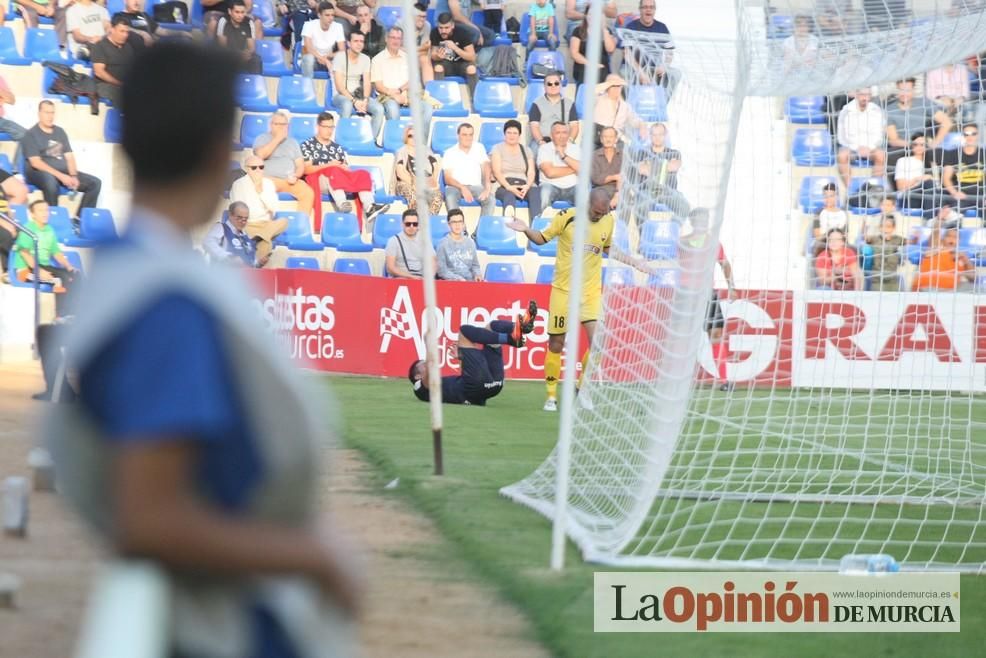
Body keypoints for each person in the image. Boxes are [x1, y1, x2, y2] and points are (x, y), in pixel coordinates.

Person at [47, 41, 361, 658]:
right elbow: (151, 515)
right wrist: (315, 556)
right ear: (220, 152)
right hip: (222, 628)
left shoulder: (129, 274)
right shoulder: (166, 303)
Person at [507, 188, 651, 411]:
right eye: (596, 212)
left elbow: (608, 248)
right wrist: (526, 229)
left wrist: (634, 262)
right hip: (564, 291)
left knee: (599, 343)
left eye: (603, 213)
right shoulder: (566, 217)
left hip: (590, 292)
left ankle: (582, 389)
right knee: (556, 343)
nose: (599, 216)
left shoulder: (607, 221)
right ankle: (551, 396)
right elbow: (542, 238)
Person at [408, 302, 538, 406]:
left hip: (493, 385)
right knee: (464, 331)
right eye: (422, 365)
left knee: (491, 327)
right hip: (477, 387)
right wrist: (428, 344)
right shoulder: (419, 388)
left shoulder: (442, 387)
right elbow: (431, 368)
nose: (426, 363)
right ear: (418, 375)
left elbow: (472, 370)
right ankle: (510, 338)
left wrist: (462, 357)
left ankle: (520, 327)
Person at [680, 208, 736, 391]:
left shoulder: (714, 243)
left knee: (717, 334)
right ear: (692, 222)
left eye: (705, 220)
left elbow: (724, 264)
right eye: (698, 220)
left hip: (707, 293)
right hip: (687, 293)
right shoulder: (682, 242)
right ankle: (681, 379)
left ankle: (724, 380)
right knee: (686, 337)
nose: (702, 223)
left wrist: (731, 287)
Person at [301, 111, 388, 229]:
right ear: (318, 127)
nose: (329, 130)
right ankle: (341, 203)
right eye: (325, 127)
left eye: (331, 127)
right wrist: (329, 165)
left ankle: (370, 207)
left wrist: (343, 168)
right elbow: (306, 170)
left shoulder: (337, 148)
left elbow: (345, 169)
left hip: (338, 179)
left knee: (363, 174)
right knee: (333, 170)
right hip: (319, 180)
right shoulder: (307, 145)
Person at [22, 101, 102, 221]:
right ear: (39, 113)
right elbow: (36, 162)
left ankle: (80, 221)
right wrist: (61, 176)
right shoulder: (30, 134)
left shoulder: (60, 132)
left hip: (62, 171)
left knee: (95, 183)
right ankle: (54, 221)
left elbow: (69, 157)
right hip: (38, 172)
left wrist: (73, 175)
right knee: (50, 181)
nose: (50, 116)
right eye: (47, 112)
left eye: (52, 113)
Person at [12, 200, 79, 315]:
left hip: (43, 266)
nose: (45, 213)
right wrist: (39, 271)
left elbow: (56, 252)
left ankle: (74, 314)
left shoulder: (50, 229)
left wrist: (69, 266)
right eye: (40, 210)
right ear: (32, 214)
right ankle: (60, 316)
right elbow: (25, 253)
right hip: (26, 270)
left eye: (46, 210)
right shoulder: (27, 229)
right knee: (59, 279)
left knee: (75, 276)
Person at [252, 111, 315, 217]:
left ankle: (299, 225)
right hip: (268, 179)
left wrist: (296, 175)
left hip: (289, 180)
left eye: (284, 124)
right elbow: (260, 155)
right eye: (278, 124)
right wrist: (278, 138)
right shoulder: (262, 138)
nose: (282, 127)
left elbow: (300, 165)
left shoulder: (293, 142)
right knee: (261, 190)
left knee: (308, 192)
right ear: (271, 125)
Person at [229, 154, 289, 264]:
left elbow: (274, 207)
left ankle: (258, 238)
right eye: (254, 167)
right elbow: (237, 210)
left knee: (284, 221)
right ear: (247, 169)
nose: (258, 170)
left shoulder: (268, 184)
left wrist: (259, 190)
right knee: (267, 243)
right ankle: (256, 267)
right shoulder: (238, 184)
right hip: (247, 224)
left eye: (261, 167)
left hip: (265, 224)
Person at [371, 26, 434, 129]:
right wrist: (394, 95)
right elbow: (379, 86)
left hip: (408, 95)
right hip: (387, 96)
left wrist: (401, 91)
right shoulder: (377, 60)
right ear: (386, 39)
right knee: (392, 108)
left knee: (427, 108)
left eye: (398, 38)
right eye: (393, 37)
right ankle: (396, 142)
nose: (396, 41)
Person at [331, 30, 385, 142]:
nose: (359, 44)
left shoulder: (365, 59)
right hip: (341, 96)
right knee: (347, 105)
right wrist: (354, 101)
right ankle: (341, 140)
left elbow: (367, 82)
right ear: (349, 43)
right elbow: (339, 86)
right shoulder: (340, 57)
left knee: (379, 109)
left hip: (359, 95)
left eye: (361, 41)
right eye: (356, 41)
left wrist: (365, 100)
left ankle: (370, 141)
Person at [630, 122, 688, 221]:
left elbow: (674, 166)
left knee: (684, 206)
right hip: (647, 190)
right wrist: (665, 165)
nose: (657, 137)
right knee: (640, 207)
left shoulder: (674, 153)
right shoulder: (642, 152)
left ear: (665, 135)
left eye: (660, 134)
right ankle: (644, 235)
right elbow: (642, 170)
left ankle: (671, 230)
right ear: (650, 136)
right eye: (654, 135)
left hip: (668, 191)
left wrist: (650, 166)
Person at [91, 13, 148, 106]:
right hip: (105, 86)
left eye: (127, 32)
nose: (125, 35)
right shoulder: (100, 46)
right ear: (112, 30)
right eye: (122, 31)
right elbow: (99, 72)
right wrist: (120, 84)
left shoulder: (128, 47)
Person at [836, 89, 887, 189]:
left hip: (871, 148)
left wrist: (869, 147)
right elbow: (841, 137)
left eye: (867, 95)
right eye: (862, 95)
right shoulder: (846, 110)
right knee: (842, 155)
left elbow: (879, 135)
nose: (865, 98)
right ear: (856, 95)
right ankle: (850, 189)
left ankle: (874, 188)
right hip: (852, 148)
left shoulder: (877, 111)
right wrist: (857, 148)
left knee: (881, 155)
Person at [442, 122, 495, 216]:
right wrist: (462, 187)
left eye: (470, 135)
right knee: (450, 197)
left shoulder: (479, 147)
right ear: (458, 135)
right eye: (464, 134)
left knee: (490, 199)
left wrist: (487, 185)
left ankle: (481, 230)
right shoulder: (449, 152)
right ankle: (461, 230)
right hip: (455, 187)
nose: (468, 138)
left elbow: (486, 166)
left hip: (476, 186)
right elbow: (447, 178)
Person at [491, 119, 540, 218]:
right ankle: (508, 222)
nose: (511, 135)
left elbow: (531, 172)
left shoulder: (526, 150)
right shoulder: (497, 148)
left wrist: (527, 185)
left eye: (515, 133)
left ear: (519, 135)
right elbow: (497, 172)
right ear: (504, 134)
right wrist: (509, 187)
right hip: (504, 184)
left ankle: (536, 225)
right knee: (509, 194)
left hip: (523, 183)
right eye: (509, 132)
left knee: (535, 192)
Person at [392, 124, 443, 214]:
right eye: (410, 136)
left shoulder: (426, 150)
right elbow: (400, 172)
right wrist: (413, 183)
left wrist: (432, 181)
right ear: (406, 138)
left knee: (437, 197)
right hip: (407, 182)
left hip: (426, 182)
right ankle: (416, 219)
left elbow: (435, 166)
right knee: (413, 195)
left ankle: (429, 220)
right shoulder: (401, 151)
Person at [913, 224, 976, 291]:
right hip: (928, 290)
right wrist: (941, 220)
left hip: (951, 292)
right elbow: (935, 235)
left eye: (955, 237)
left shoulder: (961, 257)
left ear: (959, 241)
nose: (952, 239)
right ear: (942, 239)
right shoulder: (934, 250)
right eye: (949, 236)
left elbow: (973, 279)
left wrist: (965, 260)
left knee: (974, 289)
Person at [528, 71, 579, 150]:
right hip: (543, 140)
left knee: (576, 153)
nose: (553, 86)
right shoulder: (536, 103)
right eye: (549, 84)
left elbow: (574, 126)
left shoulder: (570, 103)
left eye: (556, 83)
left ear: (561, 85)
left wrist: (570, 140)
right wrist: (541, 142)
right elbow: (534, 126)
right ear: (544, 86)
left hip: (564, 141)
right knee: (534, 151)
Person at [430, 12, 478, 97]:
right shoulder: (434, 33)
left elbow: (472, 57)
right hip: (446, 64)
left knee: (471, 68)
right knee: (438, 67)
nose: (443, 31)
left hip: (462, 63)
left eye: (446, 28)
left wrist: (455, 48)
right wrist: (438, 56)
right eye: (440, 28)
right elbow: (433, 54)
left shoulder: (462, 33)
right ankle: (440, 98)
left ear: (452, 26)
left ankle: (476, 99)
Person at [942, 124, 986, 214]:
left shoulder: (984, 154)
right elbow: (946, 178)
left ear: (978, 135)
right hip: (960, 195)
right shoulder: (953, 154)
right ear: (962, 135)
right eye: (966, 134)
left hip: (981, 196)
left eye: (973, 134)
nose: (970, 137)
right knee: (954, 215)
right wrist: (955, 193)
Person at [203, 201, 264, 267]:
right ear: (230, 215)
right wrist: (228, 256)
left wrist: (259, 263)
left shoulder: (246, 235)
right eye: (239, 218)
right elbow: (207, 242)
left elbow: (252, 262)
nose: (243, 222)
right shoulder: (221, 228)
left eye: (245, 219)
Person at [537, 121, 579, 208]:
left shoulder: (576, 148)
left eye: (564, 133)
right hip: (551, 186)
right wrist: (574, 168)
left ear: (568, 135)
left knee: (583, 194)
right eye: (558, 133)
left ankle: (583, 221)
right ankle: (543, 219)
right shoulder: (544, 148)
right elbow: (550, 173)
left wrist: (563, 156)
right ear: (551, 135)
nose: (562, 136)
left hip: (574, 187)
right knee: (545, 192)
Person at [386, 208, 435, 278]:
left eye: (415, 224)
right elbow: (390, 268)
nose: (411, 227)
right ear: (402, 224)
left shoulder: (425, 240)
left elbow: (433, 261)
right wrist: (411, 277)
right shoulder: (393, 241)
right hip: (401, 278)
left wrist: (428, 277)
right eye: (408, 224)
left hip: (422, 278)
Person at [301, 1, 346, 78]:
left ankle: (338, 88)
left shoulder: (338, 26)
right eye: (327, 15)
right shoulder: (309, 25)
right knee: (309, 59)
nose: (331, 18)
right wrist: (323, 59)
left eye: (332, 15)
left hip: (328, 57)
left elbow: (342, 50)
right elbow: (308, 48)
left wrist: (327, 57)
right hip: (313, 57)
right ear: (319, 15)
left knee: (342, 59)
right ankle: (306, 87)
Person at [569, 13, 615, 85]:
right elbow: (574, 54)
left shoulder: (607, 31)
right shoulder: (578, 31)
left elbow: (610, 49)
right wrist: (591, 64)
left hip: (602, 66)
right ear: (586, 16)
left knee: (603, 74)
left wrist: (604, 28)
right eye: (590, 14)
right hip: (584, 65)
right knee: (586, 73)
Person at [217, 0, 262, 74]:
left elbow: (252, 48)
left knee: (256, 60)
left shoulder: (249, 22)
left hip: (243, 56)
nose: (240, 15)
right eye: (237, 12)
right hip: (228, 55)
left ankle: (254, 82)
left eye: (242, 12)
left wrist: (246, 54)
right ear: (230, 11)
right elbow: (222, 47)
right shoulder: (223, 21)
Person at [436, 208, 480, 281]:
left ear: (463, 224)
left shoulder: (470, 242)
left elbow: (475, 266)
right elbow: (441, 271)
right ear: (449, 225)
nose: (457, 225)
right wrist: (458, 279)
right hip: (451, 282)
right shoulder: (442, 244)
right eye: (454, 222)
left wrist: (477, 274)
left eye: (460, 221)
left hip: (469, 282)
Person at [864, 215, 906, 291]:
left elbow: (912, 242)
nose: (885, 229)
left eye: (888, 226)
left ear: (893, 228)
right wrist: (865, 226)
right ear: (880, 227)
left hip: (892, 279)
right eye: (883, 226)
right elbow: (864, 238)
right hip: (877, 279)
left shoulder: (898, 239)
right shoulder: (874, 239)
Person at [812, 182, 849, 255]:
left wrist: (837, 241)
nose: (828, 199)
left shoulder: (843, 214)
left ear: (837, 197)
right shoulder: (818, 212)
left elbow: (846, 235)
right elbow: (817, 235)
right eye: (825, 196)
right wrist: (831, 239)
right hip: (823, 242)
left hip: (840, 243)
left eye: (831, 196)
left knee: (853, 249)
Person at [590, 126, 621, 207]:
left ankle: (622, 220)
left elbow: (624, 178)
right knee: (599, 198)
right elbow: (596, 179)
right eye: (605, 137)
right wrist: (614, 177)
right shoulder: (594, 156)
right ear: (601, 139)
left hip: (620, 189)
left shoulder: (623, 155)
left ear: (616, 139)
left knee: (626, 200)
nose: (608, 139)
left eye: (611, 137)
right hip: (600, 189)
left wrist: (617, 195)